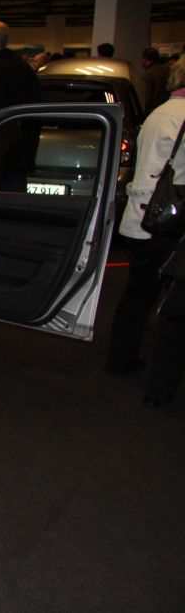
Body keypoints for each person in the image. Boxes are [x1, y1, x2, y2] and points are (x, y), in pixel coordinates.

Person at [106, 60, 185, 406]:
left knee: (137, 293)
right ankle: (160, 381)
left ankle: (119, 358)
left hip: (140, 216)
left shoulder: (159, 113)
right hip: (169, 220)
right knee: (175, 304)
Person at [141, 47, 171, 117]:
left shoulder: (148, 74)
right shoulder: (168, 69)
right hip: (169, 108)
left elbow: (147, 98)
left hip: (154, 111)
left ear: (145, 59)